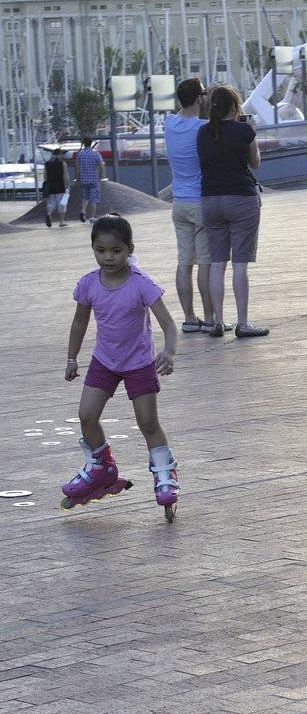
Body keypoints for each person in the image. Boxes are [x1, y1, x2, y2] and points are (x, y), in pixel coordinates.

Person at [63, 215, 179, 511]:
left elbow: (167, 323)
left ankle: (165, 472)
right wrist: (72, 358)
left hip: (138, 363)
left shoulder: (141, 284)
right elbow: (79, 322)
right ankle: (102, 466)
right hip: (105, 361)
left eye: (116, 250)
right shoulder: (89, 284)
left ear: (129, 249)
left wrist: (168, 352)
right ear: (93, 249)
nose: (108, 257)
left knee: (148, 423)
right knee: (86, 416)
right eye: (101, 250)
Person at [196, 85, 268, 339]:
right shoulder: (245, 130)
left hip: (210, 200)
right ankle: (243, 322)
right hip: (241, 200)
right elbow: (255, 163)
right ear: (235, 106)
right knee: (239, 264)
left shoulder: (202, 133)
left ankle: (217, 321)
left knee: (217, 263)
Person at [164, 77, 221, 334]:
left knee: (184, 263)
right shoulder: (203, 128)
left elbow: (182, 111)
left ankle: (189, 318)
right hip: (200, 202)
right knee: (205, 263)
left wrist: (192, 99)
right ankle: (209, 317)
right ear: (200, 98)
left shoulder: (169, 123)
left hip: (179, 205)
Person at [74, 138, 105, 222]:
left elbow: (77, 168)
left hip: (83, 180)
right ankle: (92, 217)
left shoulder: (80, 154)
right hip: (94, 180)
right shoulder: (95, 154)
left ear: (84, 143)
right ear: (91, 143)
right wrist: (101, 177)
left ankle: (83, 211)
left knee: (85, 198)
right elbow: (101, 166)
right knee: (93, 199)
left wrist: (77, 178)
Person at [41, 148, 69, 229]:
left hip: (50, 187)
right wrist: (67, 185)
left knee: (51, 203)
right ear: (60, 155)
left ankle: (49, 214)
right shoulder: (62, 163)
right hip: (60, 186)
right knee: (62, 204)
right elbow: (65, 176)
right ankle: (61, 222)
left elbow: (45, 177)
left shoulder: (47, 164)